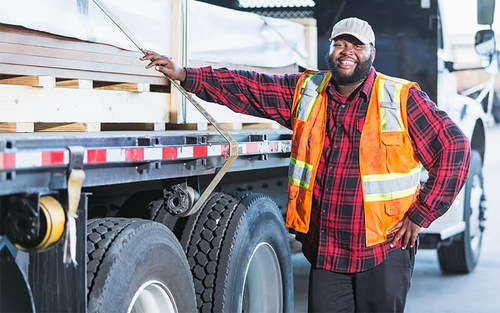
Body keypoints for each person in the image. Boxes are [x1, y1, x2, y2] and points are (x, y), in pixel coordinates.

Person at [140, 17, 471, 313]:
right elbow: (248, 86)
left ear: (371, 53)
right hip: (327, 249)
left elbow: (455, 148)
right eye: (340, 43)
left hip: (384, 248)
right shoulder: (307, 91)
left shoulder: (399, 97)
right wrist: (186, 75)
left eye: (356, 45)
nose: (347, 51)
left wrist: (422, 212)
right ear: (330, 50)